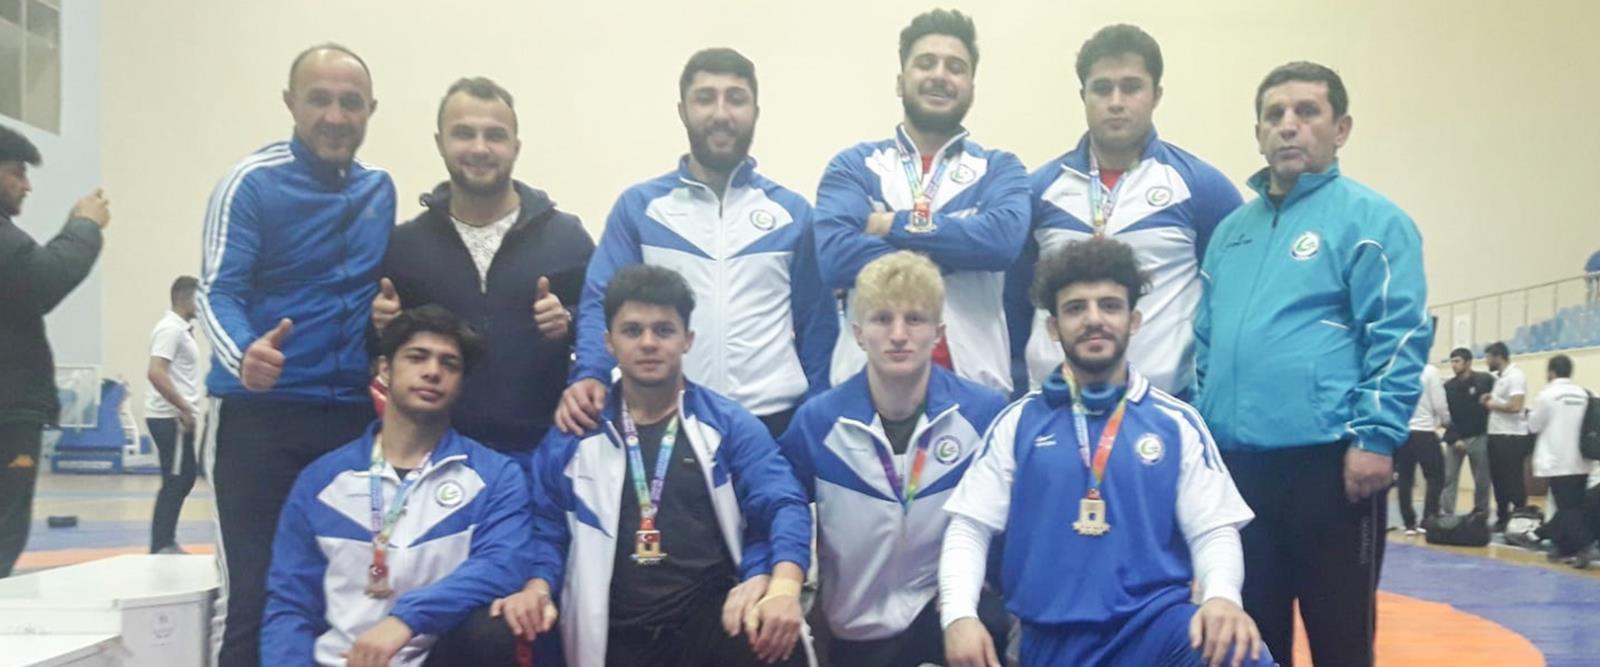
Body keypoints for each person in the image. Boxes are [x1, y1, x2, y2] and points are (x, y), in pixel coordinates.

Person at [1194, 62, 1430, 666]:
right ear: (1258, 133)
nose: (1288, 125)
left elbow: (1397, 335)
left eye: (1307, 112)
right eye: (1274, 115)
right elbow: (1205, 342)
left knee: (1340, 641)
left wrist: (1375, 437)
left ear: (1341, 128)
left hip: (1333, 468)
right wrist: (1204, 442)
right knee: (1250, 642)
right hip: (1240, 471)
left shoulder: (1374, 222)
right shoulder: (1230, 234)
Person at [941, 238, 1270, 667]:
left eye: (1110, 306)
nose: (1094, 319)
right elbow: (969, 527)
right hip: (1050, 641)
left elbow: (1213, 530)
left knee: (1238, 653)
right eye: (1076, 308)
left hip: (1158, 631)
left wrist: (1222, 597)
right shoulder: (1017, 423)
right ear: (1053, 327)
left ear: (1133, 321)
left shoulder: (1176, 422)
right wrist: (958, 616)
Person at [196, 43, 395, 665]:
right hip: (257, 420)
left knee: (340, 594)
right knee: (252, 594)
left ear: (371, 110)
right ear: (290, 103)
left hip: (347, 423)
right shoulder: (250, 183)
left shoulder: (380, 190)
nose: (335, 116)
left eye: (350, 102)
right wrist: (244, 354)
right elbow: (216, 290)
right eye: (319, 100)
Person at [506, 265, 813, 666]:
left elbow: (784, 503)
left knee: (775, 638)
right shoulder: (574, 436)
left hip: (707, 620)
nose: (648, 343)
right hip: (613, 630)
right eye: (632, 330)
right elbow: (546, 529)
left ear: (687, 340)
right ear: (609, 342)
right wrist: (537, 586)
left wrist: (783, 588)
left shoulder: (728, 424)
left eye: (664, 330)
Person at [556, 48, 834, 440]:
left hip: (773, 425)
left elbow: (819, 327)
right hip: (665, 422)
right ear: (683, 111)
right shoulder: (640, 209)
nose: (721, 113)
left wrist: (816, 414)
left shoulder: (793, 214)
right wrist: (591, 373)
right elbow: (601, 302)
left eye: (735, 99)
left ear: (755, 112)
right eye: (705, 98)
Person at [261, 306, 532, 666]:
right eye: (417, 357)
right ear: (385, 370)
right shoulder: (321, 481)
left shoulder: (495, 477)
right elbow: (291, 605)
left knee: (493, 628)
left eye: (449, 364)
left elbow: (501, 566)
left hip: (434, 658)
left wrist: (405, 620)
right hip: (338, 661)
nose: (432, 371)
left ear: (460, 382)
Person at [778, 251, 1009, 666]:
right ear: (858, 333)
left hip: (946, 617)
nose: (899, 335)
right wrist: (778, 583)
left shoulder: (983, 413)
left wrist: (982, 588)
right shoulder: (818, 422)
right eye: (882, 319)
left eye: (915, 319)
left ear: (938, 333)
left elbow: (1008, 518)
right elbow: (780, 506)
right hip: (855, 625)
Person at [1008, 24, 1241, 398]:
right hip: (1053, 404)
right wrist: (1020, 384)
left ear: (1156, 95)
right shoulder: (1040, 191)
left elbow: (1230, 306)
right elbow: (1015, 304)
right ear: (1083, 96)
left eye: (1131, 87)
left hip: (1164, 405)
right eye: (1102, 89)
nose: (1116, 102)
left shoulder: (1202, 188)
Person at [373, 76, 593, 471]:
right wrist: (379, 326)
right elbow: (378, 353)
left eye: (495, 135)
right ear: (440, 142)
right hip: (436, 458)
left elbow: (603, 322)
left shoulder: (566, 238)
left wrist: (568, 320)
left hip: (544, 454)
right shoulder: (405, 246)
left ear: (515, 147)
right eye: (464, 134)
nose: (479, 148)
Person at [814, 8, 1029, 395]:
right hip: (865, 392)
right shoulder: (854, 166)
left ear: (971, 85)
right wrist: (960, 246)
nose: (940, 75)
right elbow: (835, 257)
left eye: (955, 67)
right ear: (901, 81)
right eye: (926, 63)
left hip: (975, 392)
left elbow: (1001, 243)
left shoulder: (1000, 169)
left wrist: (891, 225)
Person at [0, 124, 111, 577]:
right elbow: (44, 279)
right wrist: (84, 226)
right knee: (5, 525)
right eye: (16, 172)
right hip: (8, 412)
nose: (26, 185)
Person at [145, 275, 204, 554]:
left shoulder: (182, 330)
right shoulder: (170, 329)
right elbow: (156, 372)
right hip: (170, 417)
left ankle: (165, 540)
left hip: (177, 416)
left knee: (184, 477)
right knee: (177, 479)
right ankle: (161, 543)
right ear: (188, 298)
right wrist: (182, 407)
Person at [1527, 354, 1595, 565]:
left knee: (1566, 509)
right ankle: (1563, 548)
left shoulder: (1547, 395)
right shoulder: (1584, 394)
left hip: (1558, 460)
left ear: (1551, 372)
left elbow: (1533, 425)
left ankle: (1584, 545)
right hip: (1582, 459)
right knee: (1575, 506)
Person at [1482, 341, 1532, 532]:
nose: (1487, 361)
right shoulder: (1500, 377)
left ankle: (1520, 519)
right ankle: (1502, 517)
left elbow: (1516, 405)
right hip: (1497, 434)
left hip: (1511, 436)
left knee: (1513, 479)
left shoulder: (1515, 376)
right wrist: (1491, 399)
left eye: (1488, 357)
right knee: (1499, 479)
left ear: (1498, 356)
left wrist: (1492, 404)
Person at [1441, 347, 1496, 516]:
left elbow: (1496, 402)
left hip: (1479, 437)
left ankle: (1481, 513)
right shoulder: (1448, 387)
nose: (1454, 365)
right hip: (1455, 438)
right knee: (1449, 478)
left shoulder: (1485, 380)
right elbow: (1445, 415)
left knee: (1482, 480)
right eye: (1452, 361)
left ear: (1468, 363)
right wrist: (1454, 438)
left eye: (1457, 361)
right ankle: (1447, 514)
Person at [1397, 364, 1449, 535]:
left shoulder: (1400, 369)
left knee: (1405, 478)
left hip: (1403, 431)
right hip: (1424, 431)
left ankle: (1409, 522)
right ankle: (1429, 518)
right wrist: (1446, 420)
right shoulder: (1429, 371)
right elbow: (1439, 403)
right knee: (1436, 476)